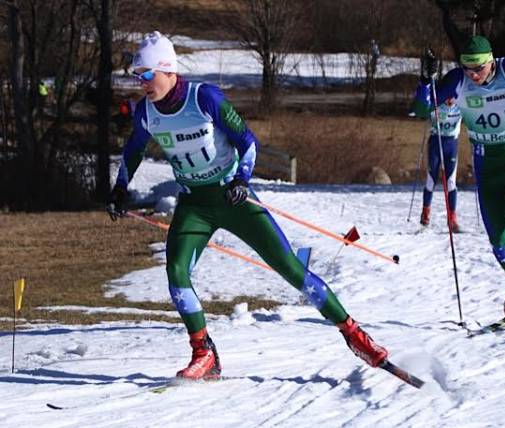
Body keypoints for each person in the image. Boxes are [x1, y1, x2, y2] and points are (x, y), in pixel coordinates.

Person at [106, 31, 389, 380]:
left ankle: (355, 335)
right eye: (138, 76)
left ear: (168, 70)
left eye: (147, 75)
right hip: (195, 204)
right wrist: (120, 188)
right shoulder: (146, 112)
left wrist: (242, 179)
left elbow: (247, 141)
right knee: (176, 274)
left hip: (232, 197)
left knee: (289, 268)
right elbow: (134, 151)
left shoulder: (203, 97)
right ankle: (204, 352)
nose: (142, 83)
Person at [412, 35, 505, 322]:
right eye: (468, 68)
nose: (473, 75)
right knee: (498, 241)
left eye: (479, 69)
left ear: (491, 61)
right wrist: (425, 80)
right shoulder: (458, 80)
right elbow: (422, 110)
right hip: (487, 165)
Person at [418, 92, 463, 233]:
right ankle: (425, 212)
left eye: (453, 97)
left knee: (450, 183)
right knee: (431, 180)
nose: (450, 100)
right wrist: (429, 112)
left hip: (451, 144)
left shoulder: (461, 107)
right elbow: (422, 110)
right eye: (448, 97)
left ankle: (452, 218)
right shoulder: (437, 106)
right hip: (436, 143)